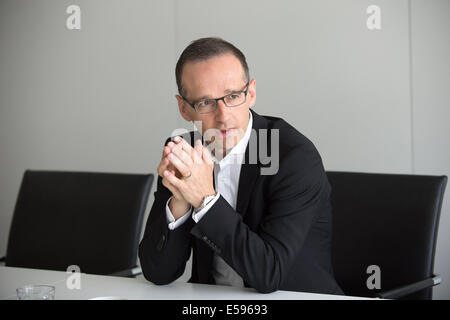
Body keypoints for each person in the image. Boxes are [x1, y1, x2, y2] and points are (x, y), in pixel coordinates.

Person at [139, 37, 343, 295]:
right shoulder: (184, 151)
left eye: (233, 96)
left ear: (252, 93)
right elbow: (158, 272)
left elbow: (268, 275)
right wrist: (179, 201)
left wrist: (204, 199)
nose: (223, 117)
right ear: (184, 108)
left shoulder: (294, 157)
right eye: (205, 102)